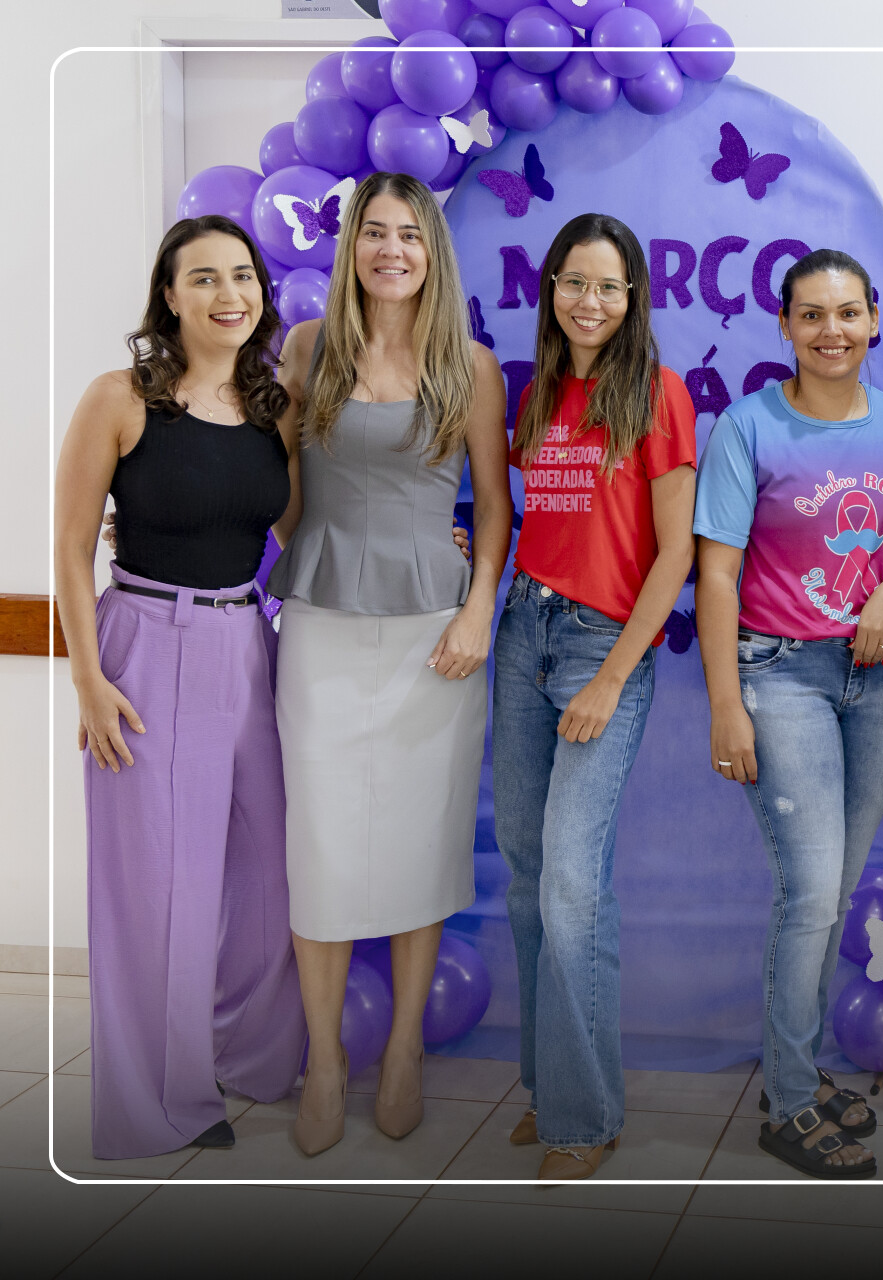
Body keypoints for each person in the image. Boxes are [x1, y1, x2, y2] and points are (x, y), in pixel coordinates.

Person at [53, 215, 308, 1159]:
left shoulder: (275, 409)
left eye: (242, 275)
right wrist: (88, 679)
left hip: (248, 644)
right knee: (156, 889)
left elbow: (300, 531)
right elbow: (70, 548)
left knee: (271, 871)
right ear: (169, 294)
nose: (228, 294)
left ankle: (249, 1059)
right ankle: (157, 1103)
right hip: (145, 645)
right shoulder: (120, 399)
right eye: (203, 278)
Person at [268, 172, 511, 1157]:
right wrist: (174, 524)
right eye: (375, 232)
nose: (391, 250)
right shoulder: (305, 347)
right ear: (351, 246)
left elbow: (493, 507)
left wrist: (479, 610)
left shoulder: (472, 365)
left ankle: (404, 1048)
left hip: (433, 635)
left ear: (432, 251)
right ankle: (326, 1061)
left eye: (410, 234)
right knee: (320, 845)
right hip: (320, 622)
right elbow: (277, 486)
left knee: (422, 842)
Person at [693, 249, 883, 1179]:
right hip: (779, 677)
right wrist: (727, 703)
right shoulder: (748, 427)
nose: (831, 331)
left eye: (847, 313)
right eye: (811, 315)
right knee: (809, 892)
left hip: (878, 681)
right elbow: (717, 575)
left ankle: (795, 1070)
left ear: (874, 319)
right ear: (786, 326)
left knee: (833, 891)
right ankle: (789, 1101)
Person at [491, 213, 696, 1181]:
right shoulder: (535, 393)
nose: (590, 301)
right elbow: (541, 521)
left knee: (573, 886)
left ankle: (584, 1118)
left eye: (610, 286)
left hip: (597, 645)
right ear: (552, 289)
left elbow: (676, 554)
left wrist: (612, 675)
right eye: (575, 282)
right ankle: (549, 1087)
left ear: (633, 297)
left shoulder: (657, 393)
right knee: (529, 875)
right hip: (521, 630)